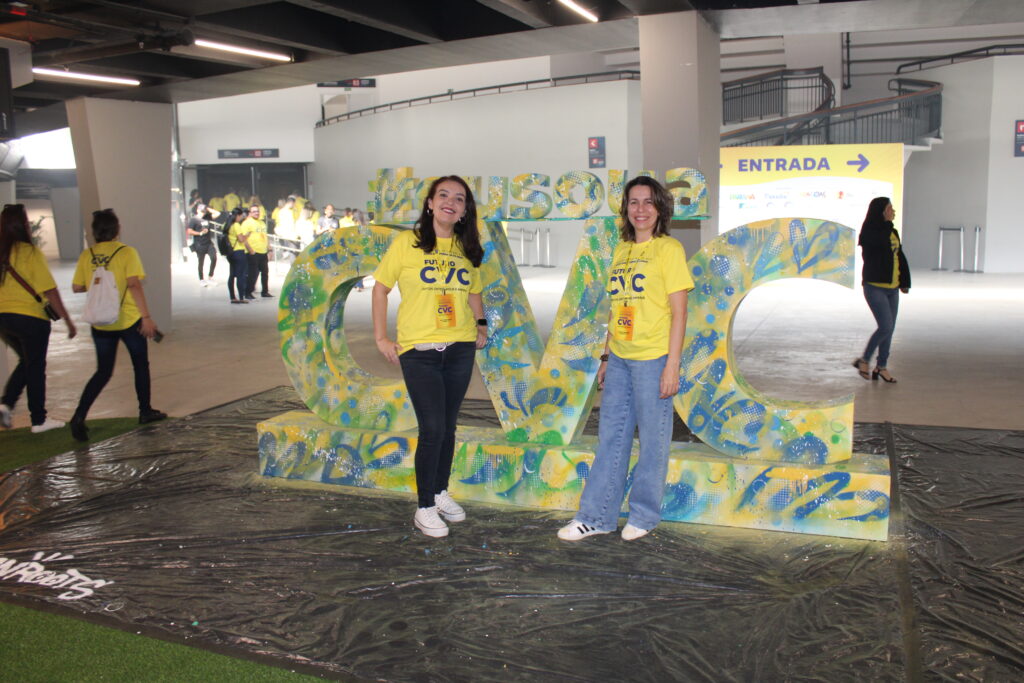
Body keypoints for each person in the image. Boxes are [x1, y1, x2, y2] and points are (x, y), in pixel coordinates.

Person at [558, 176, 693, 542]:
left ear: (660, 208)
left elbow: (679, 313)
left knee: (653, 441)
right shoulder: (621, 251)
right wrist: (605, 356)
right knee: (611, 439)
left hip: (653, 360)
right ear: (626, 210)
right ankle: (597, 516)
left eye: (648, 202)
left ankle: (645, 515)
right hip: (618, 357)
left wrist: (671, 365)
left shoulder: (669, 250)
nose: (640, 209)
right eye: (633, 202)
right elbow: (619, 309)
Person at [372, 175, 488, 538]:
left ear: (465, 210)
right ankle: (424, 508)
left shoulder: (466, 248)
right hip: (419, 352)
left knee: (448, 426)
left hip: (459, 349)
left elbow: (473, 292)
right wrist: (380, 337)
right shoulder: (407, 243)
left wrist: (481, 325)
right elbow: (380, 289)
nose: (450, 202)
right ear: (430, 203)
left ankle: (439, 492)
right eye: (444, 195)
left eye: (459, 198)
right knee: (432, 428)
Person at [69, 209, 166, 441]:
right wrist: (147, 317)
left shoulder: (87, 255)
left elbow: (77, 287)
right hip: (128, 320)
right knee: (140, 365)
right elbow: (134, 285)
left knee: (103, 371)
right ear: (116, 229)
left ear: (94, 231)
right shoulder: (127, 253)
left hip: (101, 323)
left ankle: (79, 416)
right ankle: (145, 411)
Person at [0, 203, 76, 433]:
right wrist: (69, 321)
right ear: (24, 225)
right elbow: (50, 290)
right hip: (30, 319)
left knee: (27, 361)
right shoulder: (30, 252)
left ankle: (6, 404)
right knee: (35, 367)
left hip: (3, 319)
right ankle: (39, 420)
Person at [852, 196, 910, 384]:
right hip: (875, 286)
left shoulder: (891, 231)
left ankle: (881, 366)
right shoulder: (870, 233)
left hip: (892, 287)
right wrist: (885, 225)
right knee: (885, 326)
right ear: (881, 212)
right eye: (890, 208)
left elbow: (899, 256)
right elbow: (877, 246)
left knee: (889, 329)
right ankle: (864, 360)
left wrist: (904, 281)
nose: (893, 211)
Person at [243, 205, 272, 298]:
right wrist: (250, 250)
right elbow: (244, 238)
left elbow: (266, 237)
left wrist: (269, 249)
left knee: (265, 273)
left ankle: (265, 291)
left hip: (263, 252)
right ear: (250, 213)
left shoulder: (262, 223)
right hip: (253, 252)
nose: (256, 213)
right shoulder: (247, 223)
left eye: (257, 211)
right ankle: (248, 292)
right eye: (254, 211)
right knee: (253, 274)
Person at [186, 203, 218, 286]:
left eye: (204, 211)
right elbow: (189, 231)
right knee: (201, 262)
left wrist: (208, 209)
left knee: (214, 258)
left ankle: (210, 276)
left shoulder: (206, 217)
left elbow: (217, 213)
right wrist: (199, 233)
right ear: (197, 210)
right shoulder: (194, 220)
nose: (203, 213)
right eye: (201, 211)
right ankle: (201, 279)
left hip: (208, 243)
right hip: (199, 244)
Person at [226, 208, 252, 303]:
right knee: (241, 275)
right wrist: (247, 235)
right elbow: (241, 239)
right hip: (238, 252)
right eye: (241, 216)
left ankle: (232, 297)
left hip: (230, 253)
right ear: (238, 215)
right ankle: (241, 297)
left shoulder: (227, 224)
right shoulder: (236, 225)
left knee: (232, 275)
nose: (241, 218)